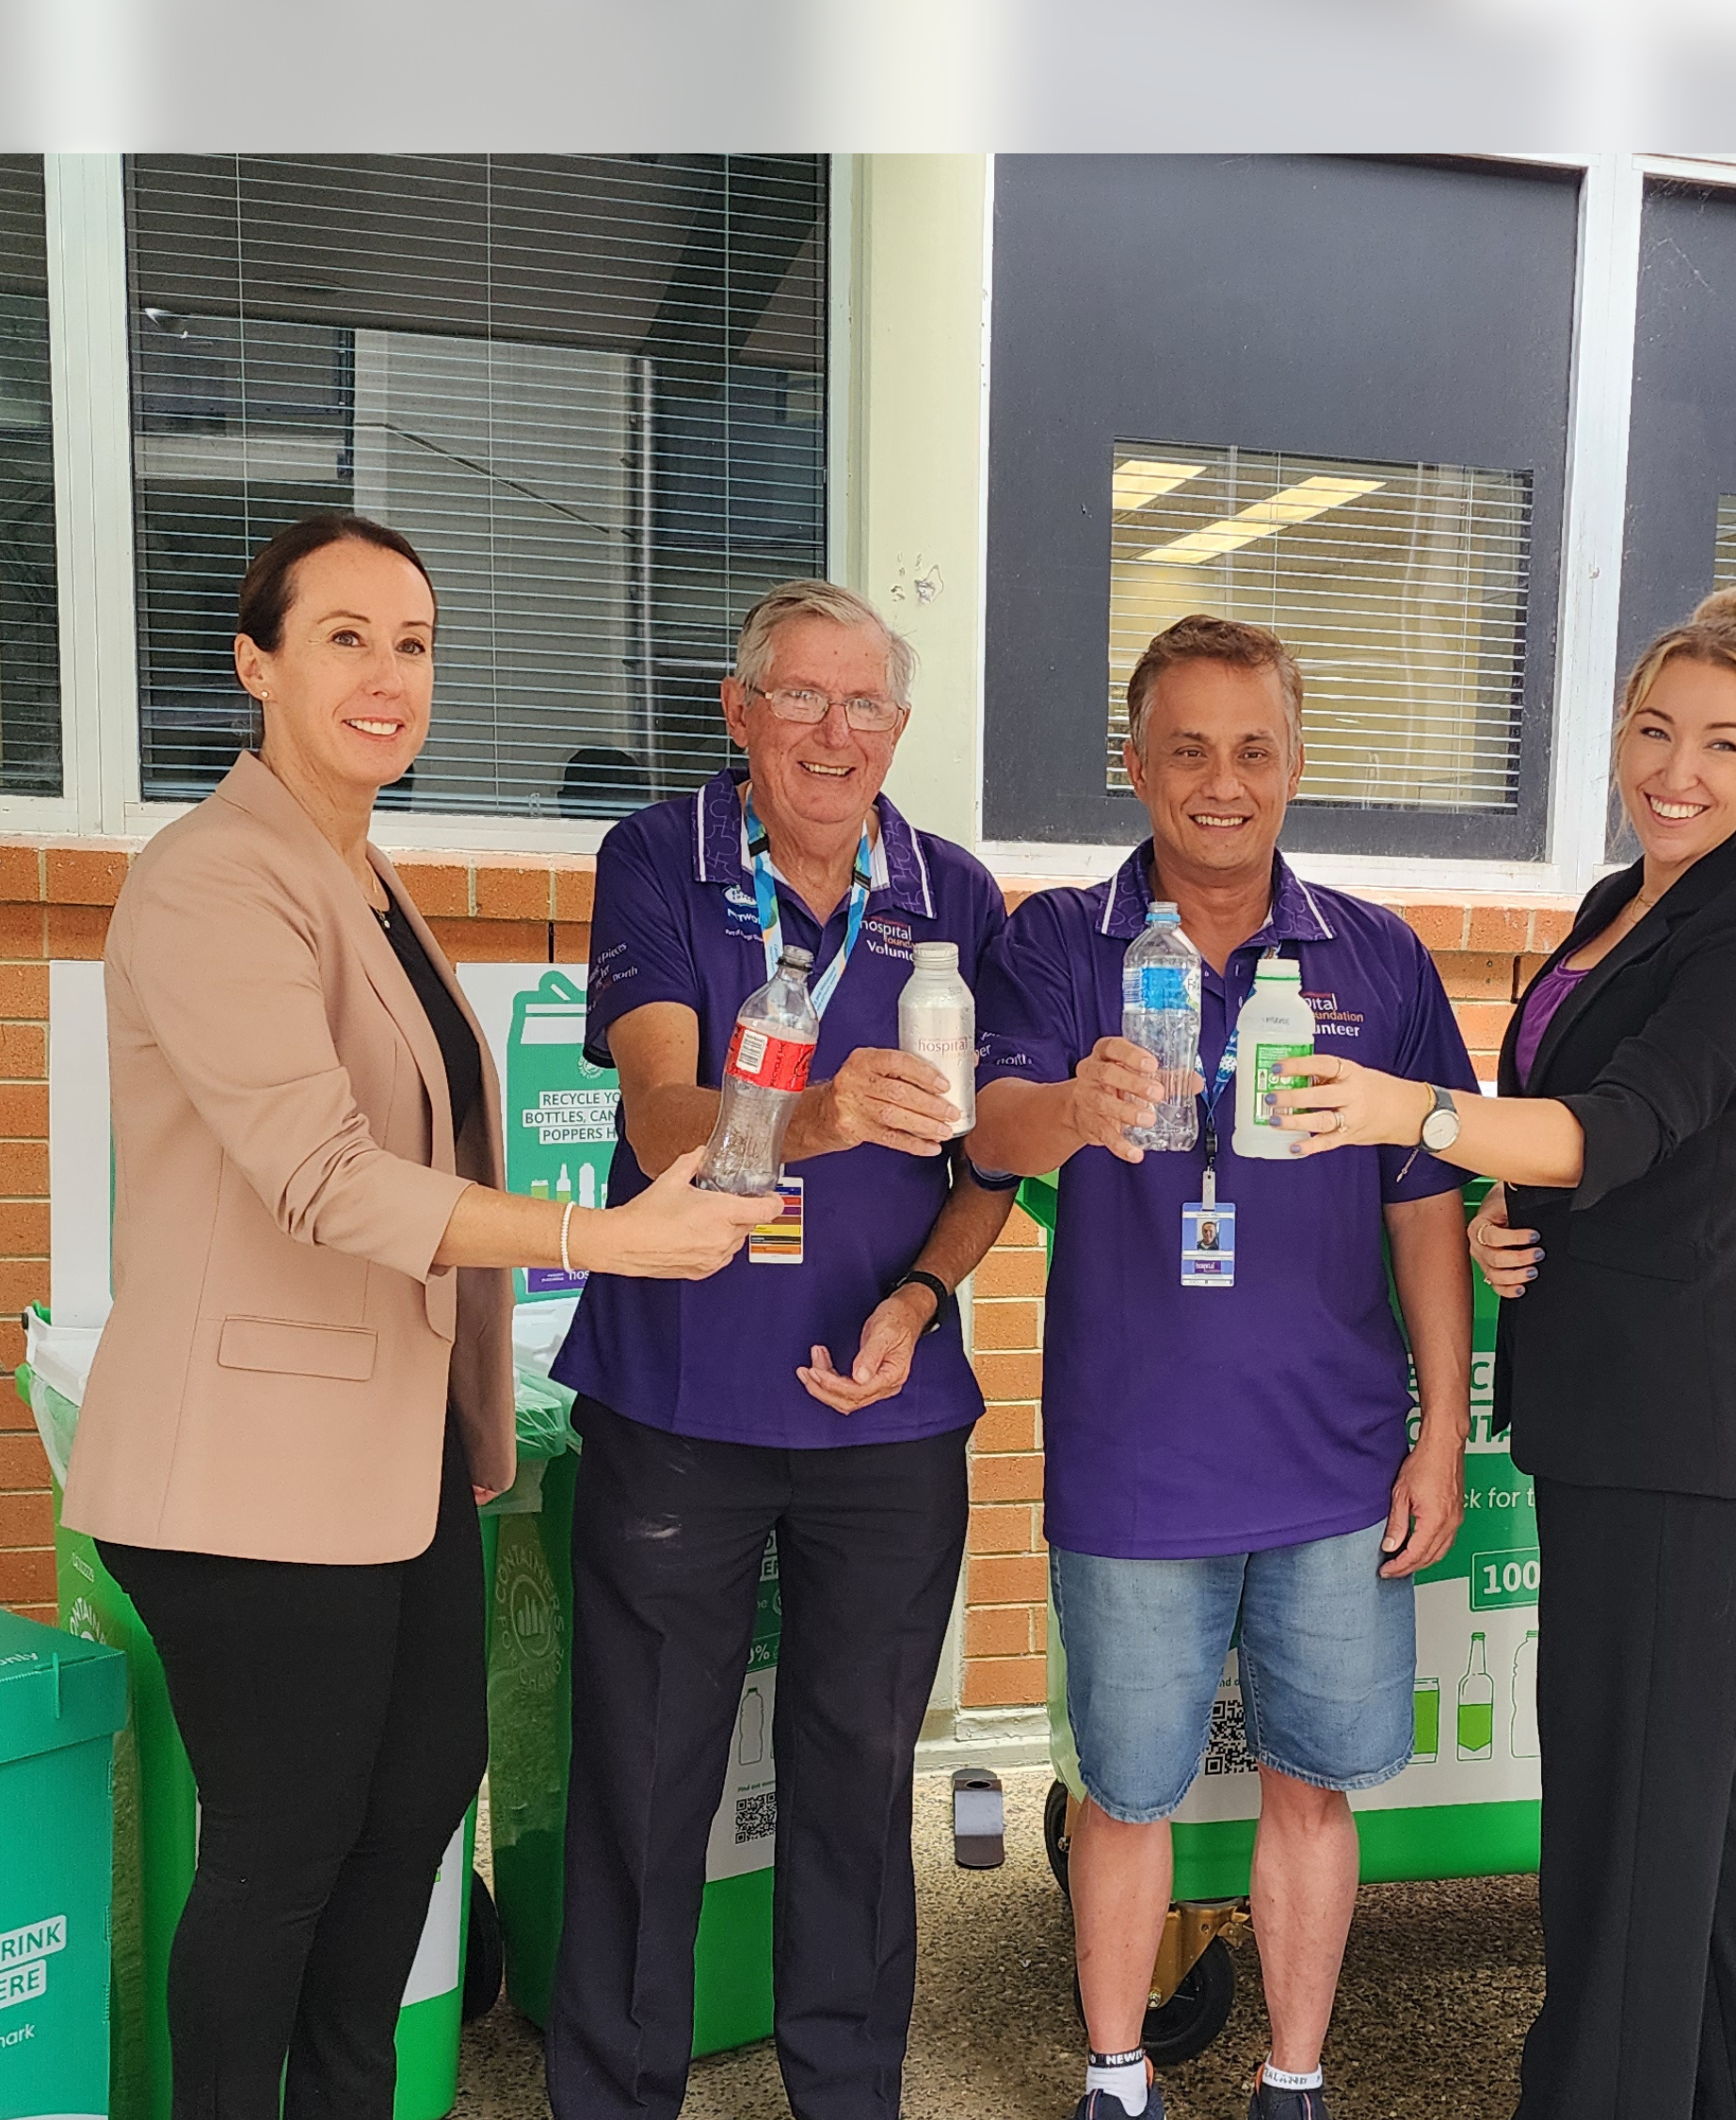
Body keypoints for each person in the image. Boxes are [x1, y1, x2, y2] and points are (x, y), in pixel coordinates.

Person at [66, 513, 774, 2120]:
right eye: (345, 638)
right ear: (255, 664)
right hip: (244, 1475)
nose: (389, 677)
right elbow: (327, 1175)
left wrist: (467, 1417)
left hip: (387, 1469)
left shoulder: (361, 876)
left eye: (416, 643)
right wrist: (608, 1239)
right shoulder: (212, 882)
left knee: (405, 1830)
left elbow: (425, 1157)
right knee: (282, 1860)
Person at [1279, 587, 1736, 2120]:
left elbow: (1628, 1123)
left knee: (1620, 1827)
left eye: (1722, 744)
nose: (1680, 769)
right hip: (1597, 1415)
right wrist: (1514, 1220)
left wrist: (1414, 1116)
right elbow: (1579, 1153)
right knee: (1684, 1806)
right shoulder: (1617, 902)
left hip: (1675, 1436)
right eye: (1656, 731)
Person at [972, 615, 1477, 2120]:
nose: (1221, 781)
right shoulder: (1061, 940)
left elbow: (1427, 1206)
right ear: (1134, 763)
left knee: (1312, 1787)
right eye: (1186, 748)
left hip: (1330, 1462)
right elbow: (985, 1138)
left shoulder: (1375, 956)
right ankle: (1117, 2079)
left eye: (1254, 748)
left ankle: (1295, 2082)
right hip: (1135, 1460)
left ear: (1296, 764)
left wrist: (1439, 1431)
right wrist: (1072, 1101)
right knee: (1124, 1794)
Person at [547, 580, 1016, 2120]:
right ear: (741, 713)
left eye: (866, 703)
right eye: (800, 699)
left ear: (898, 725)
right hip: (681, 1394)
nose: (835, 732)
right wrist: (809, 1118)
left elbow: (989, 1165)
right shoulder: (659, 858)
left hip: (885, 1414)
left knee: (858, 1782)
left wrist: (922, 1300)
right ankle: (617, 2097)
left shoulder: (956, 893)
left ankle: (849, 2093)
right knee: (647, 1779)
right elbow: (658, 1117)